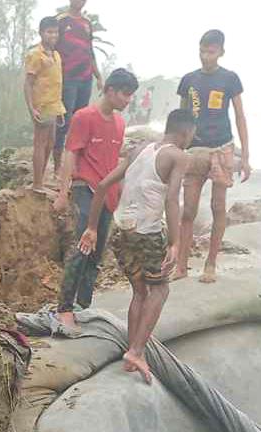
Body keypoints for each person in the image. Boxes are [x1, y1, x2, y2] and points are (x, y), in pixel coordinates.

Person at [80, 108, 199, 382]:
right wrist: (175, 242)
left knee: (140, 292)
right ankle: (136, 350)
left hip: (122, 232)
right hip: (147, 233)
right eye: (193, 133)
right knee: (160, 290)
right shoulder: (179, 156)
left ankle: (131, 350)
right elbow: (171, 200)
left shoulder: (139, 149)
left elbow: (102, 186)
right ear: (186, 132)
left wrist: (92, 228)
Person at [52, 67, 138, 331]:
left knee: (96, 257)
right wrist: (63, 192)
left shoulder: (120, 123)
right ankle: (64, 309)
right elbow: (71, 154)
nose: (128, 100)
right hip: (85, 187)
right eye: (124, 94)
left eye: (131, 95)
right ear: (109, 90)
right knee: (82, 248)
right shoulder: (84, 117)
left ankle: (84, 307)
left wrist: (121, 192)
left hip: (107, 195)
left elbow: (115, 161)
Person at [175, 28, 250, 282]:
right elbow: (181, 118)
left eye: (211, 51)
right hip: (195, 151)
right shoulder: (188, 80)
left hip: (222, 149)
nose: (206, 56)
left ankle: (211, 264)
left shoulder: (230, 79)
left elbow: (239, 116)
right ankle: (181, 266)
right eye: (202, 51)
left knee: (218, 206)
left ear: (221, 52)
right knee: (189, 211)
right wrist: (175, 150)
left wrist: (246, 156)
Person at [23, 18, 65, 193]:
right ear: (41, 33)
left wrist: (60, 108)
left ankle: (41, 177)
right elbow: (28, 83)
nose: (53, 35)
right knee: (40, 143)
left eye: (55, 32)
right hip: (41, 105)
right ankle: (37, 183)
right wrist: (31, 107)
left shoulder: (56, 55)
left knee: (50, 143)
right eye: (49, 32)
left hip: (54, 106)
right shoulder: (35, 55)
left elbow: (56, 83)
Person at [54, 0, 98, 160]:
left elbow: (90, 50)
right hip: (67, 77)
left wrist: (98, 76)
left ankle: (75, 161)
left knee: (80, 120)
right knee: (63, 121)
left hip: (86, 78)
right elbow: (51, 46)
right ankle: (57, 163)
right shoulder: (61, 20)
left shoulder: (87, 23)